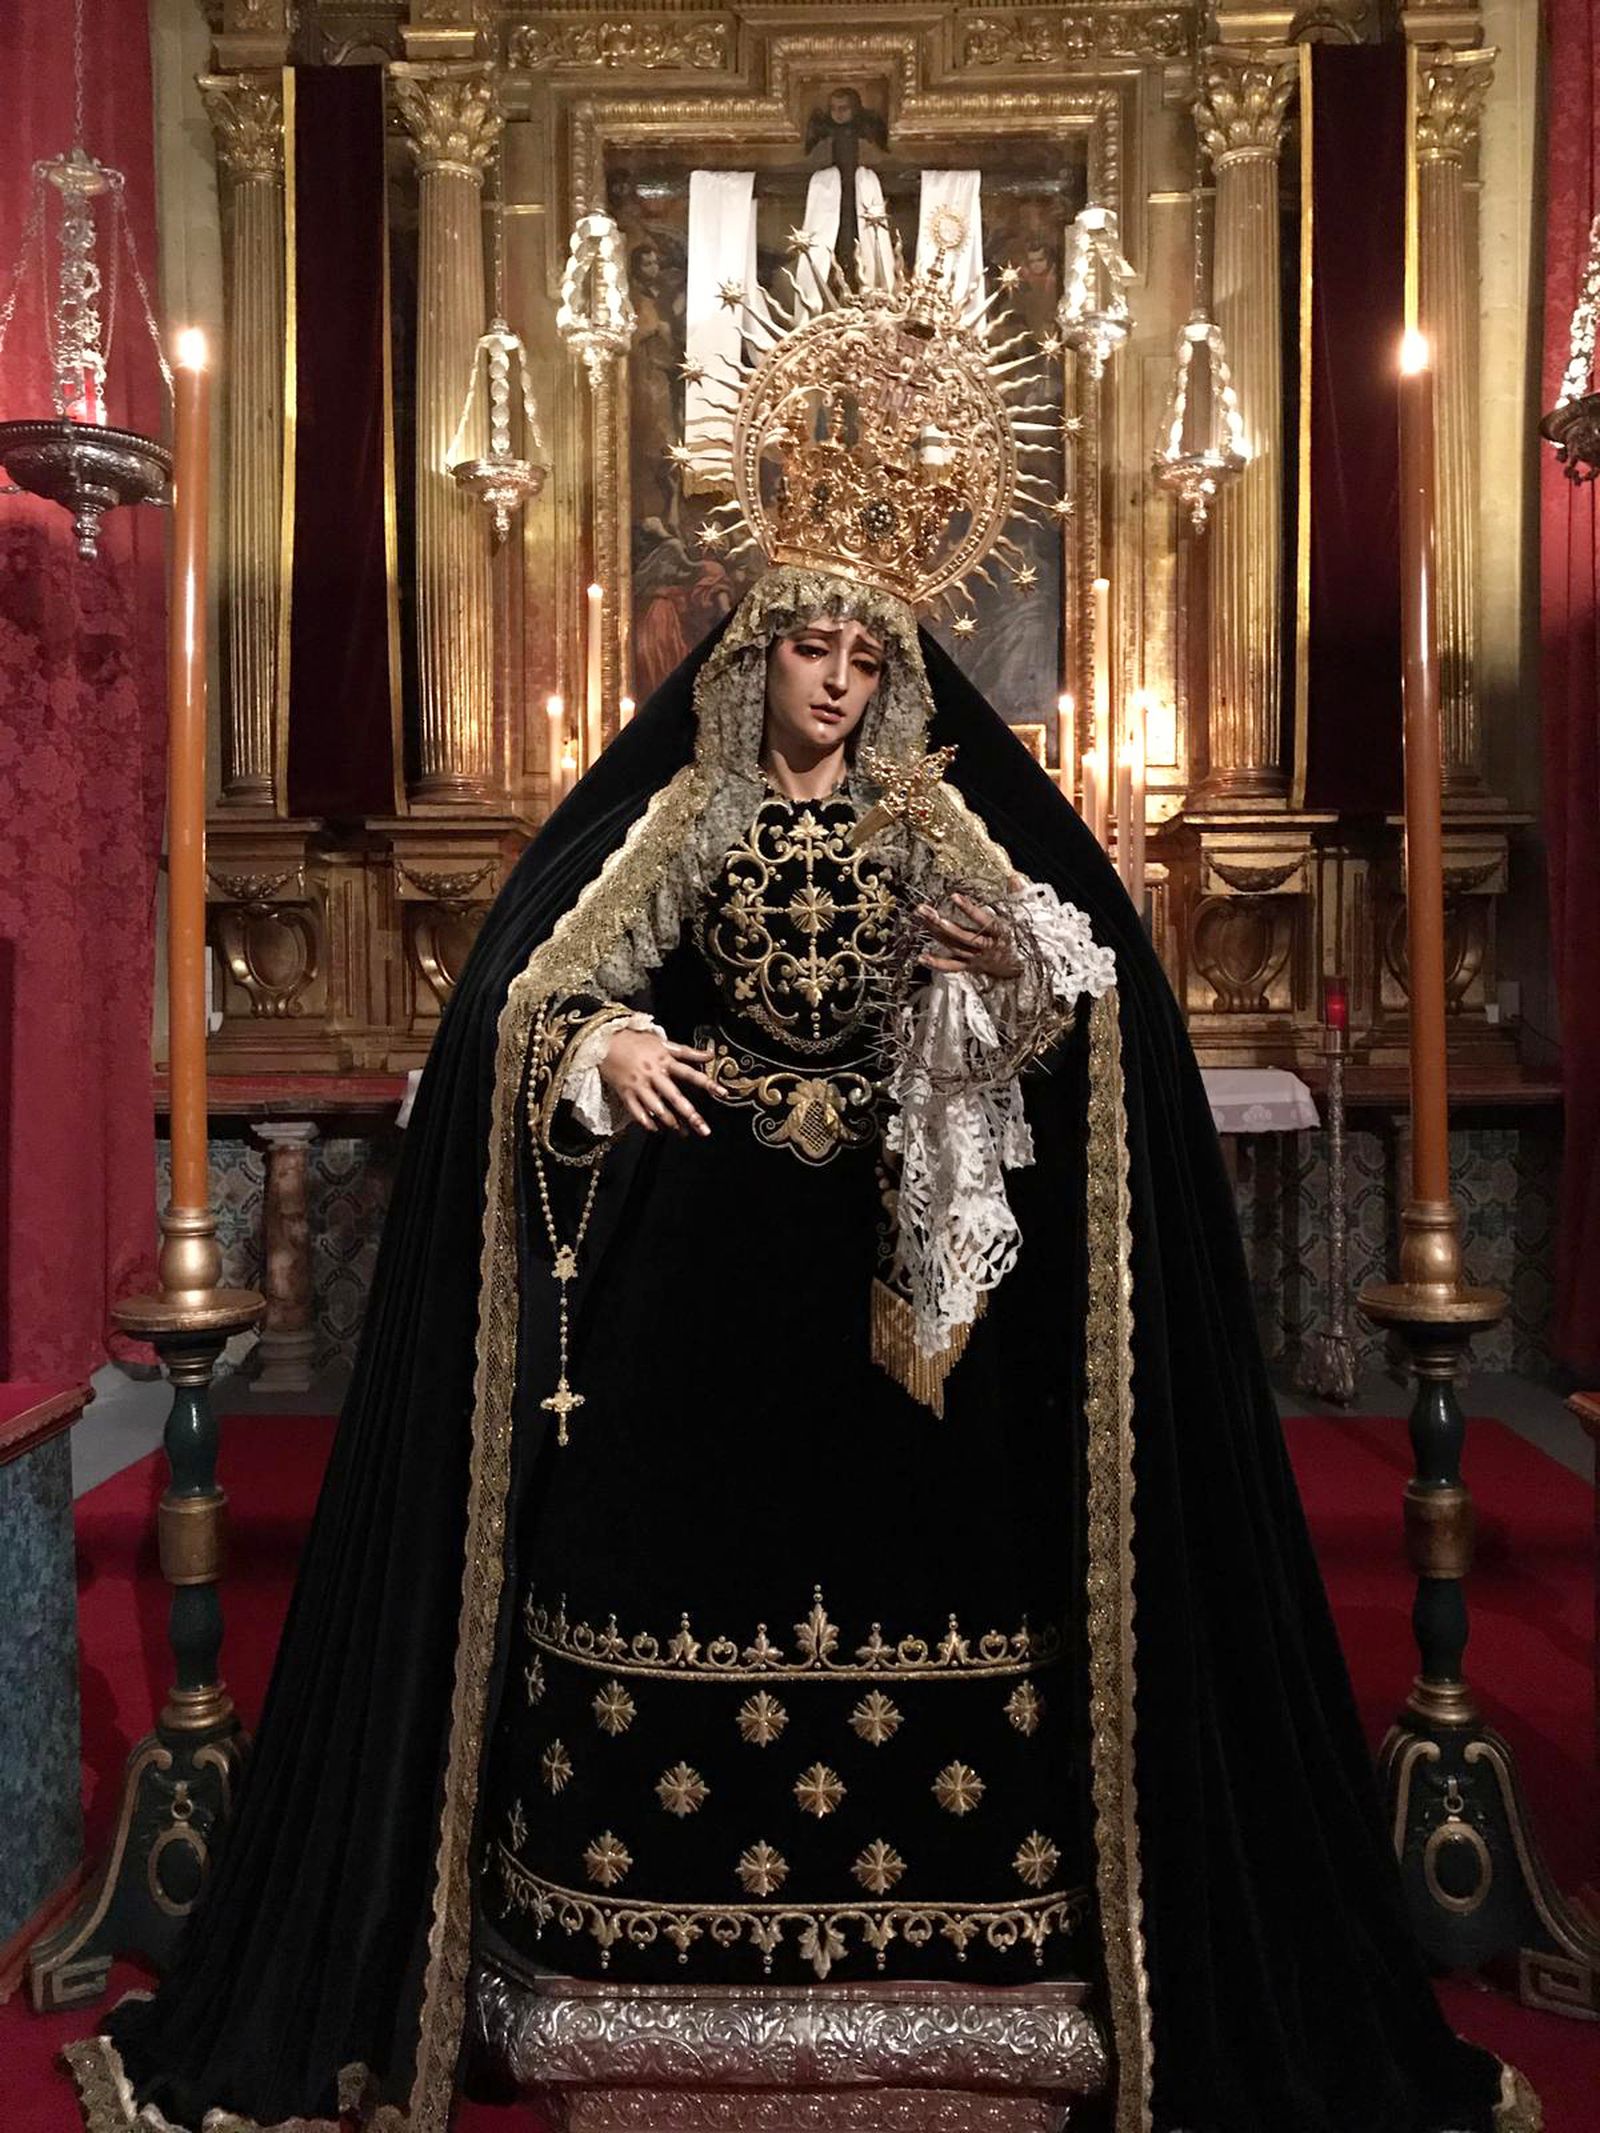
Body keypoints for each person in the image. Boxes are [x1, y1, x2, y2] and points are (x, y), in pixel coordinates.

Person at [69, 241, 1534, 2133]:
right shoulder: (686, 816)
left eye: (865, 658)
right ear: (751, 650)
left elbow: (1075, 994)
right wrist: (597, 1049)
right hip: (704, 1277)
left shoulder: (938, 816)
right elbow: (548, 980)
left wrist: (1001, 985)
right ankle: (629, 1952)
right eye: (808, 650)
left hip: (908, 1303)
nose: (835, 684)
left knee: (945, 1558)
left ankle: (980, 1946)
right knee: (668, 1546)